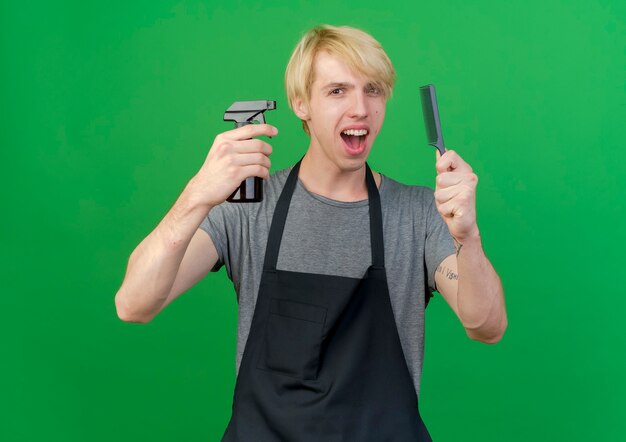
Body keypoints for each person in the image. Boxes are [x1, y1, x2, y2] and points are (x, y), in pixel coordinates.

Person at [115, 24, 507, 441]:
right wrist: (196, 196)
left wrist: (468, 236)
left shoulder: (418, 214)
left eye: (372, 90)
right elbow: (134, 304)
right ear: (301, 104)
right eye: (337, 91)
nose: (360, 108)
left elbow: (486, 326)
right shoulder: (249, 210)